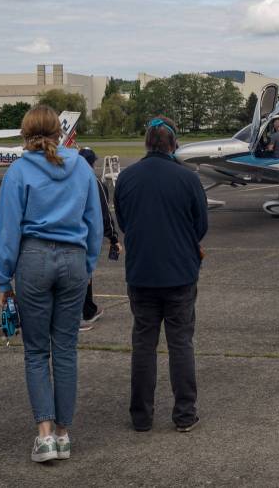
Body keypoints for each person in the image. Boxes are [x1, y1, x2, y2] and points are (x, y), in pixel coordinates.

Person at [0, 106, 102, 463]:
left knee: (37, 351)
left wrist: (2, 277)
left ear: (26, 133)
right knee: (66, 349)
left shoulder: (19, 171)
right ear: (59, 131)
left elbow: (6, 228)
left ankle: (45, 435)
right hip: (73, 258)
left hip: (34, 258)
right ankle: (65, 433)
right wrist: (87, 265)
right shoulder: (81, 167)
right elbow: (94, 221)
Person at [114, 116, 208, 433]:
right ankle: (184, 414)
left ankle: (141, 416)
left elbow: (124, 222)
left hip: (141, 273)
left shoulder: (126, 178)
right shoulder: (188, 178)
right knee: (181, 343)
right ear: (173, 143)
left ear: (146, 142)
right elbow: (201, 226)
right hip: (180, 272)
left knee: (143, 344)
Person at [77, 147, 123, 332]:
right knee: (84, 274)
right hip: (86, 235)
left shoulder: (67, 179)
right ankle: (85, 311)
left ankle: (88, 309)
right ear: (92, 163)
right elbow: (104, 213)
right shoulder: (94, 182)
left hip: (66, 235)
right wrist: (113, 238)